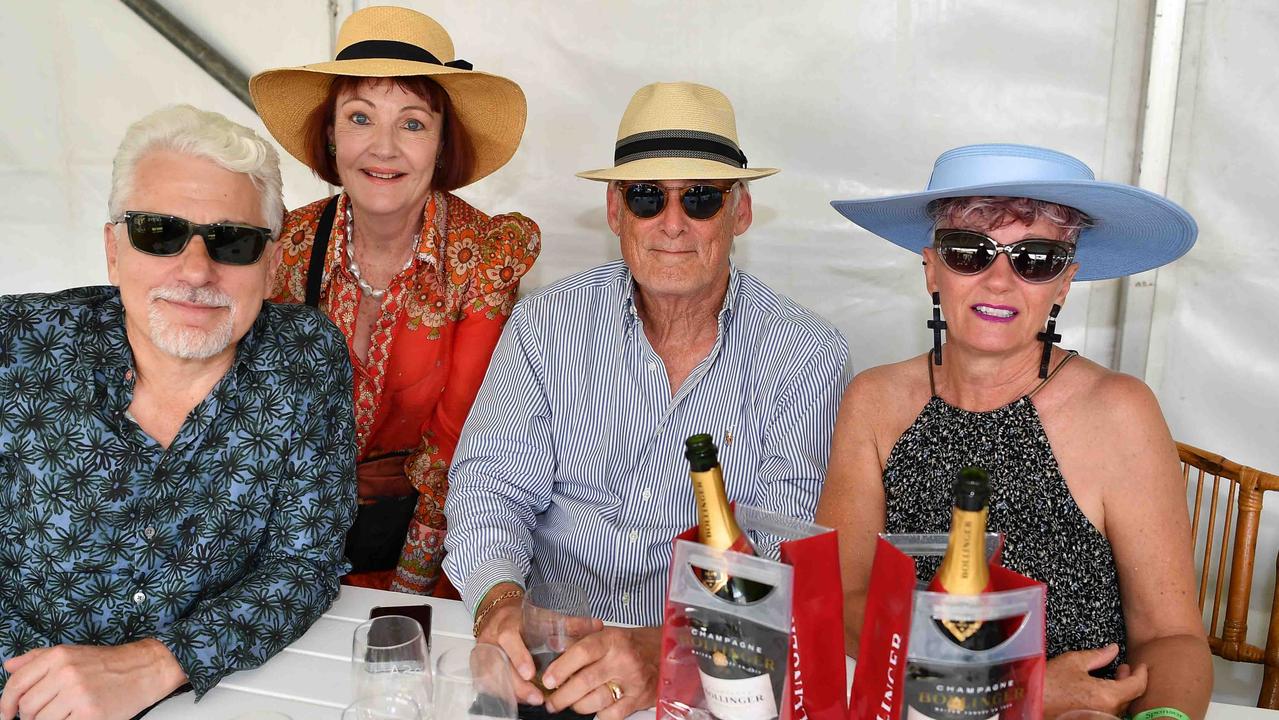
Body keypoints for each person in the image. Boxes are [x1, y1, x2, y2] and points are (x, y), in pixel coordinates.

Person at [443, 81, 849, 719]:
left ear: (740, 212)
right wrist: (498, 604)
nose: (672, 223)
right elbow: (487, 492)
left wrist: (669, 649)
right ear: (614, 210)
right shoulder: (545, 324)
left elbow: (775, 559)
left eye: (702, 198)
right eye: (646, 196)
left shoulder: (804, 355)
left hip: (717, 673)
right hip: (549, 661)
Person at [819, 144, 1211, 719]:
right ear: (931, 267)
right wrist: (1009, 686)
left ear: (1065, 283)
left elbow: (1172, 637)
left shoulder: (1117, 411)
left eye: (1035, 259)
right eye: (969, 253)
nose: (1000, 280)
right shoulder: (875, 402)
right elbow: (838, 599)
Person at [0, 105, 355, 718]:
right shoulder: (15, 346)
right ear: (114, 249)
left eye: (233, 240)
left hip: (229, 696)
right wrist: (40, 687)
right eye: (158, 233)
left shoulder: (306, 358)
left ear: (271, 264)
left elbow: (304, 564)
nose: (196, 270)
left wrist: (158, 664)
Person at [248, 5, 540, 595]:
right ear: (330, 135)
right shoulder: (282, 243)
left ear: (441, 142)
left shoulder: (484, 254)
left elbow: (455, 448)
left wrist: (404, 599)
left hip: (434, 553)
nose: (383, 148)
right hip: (286, 548)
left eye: (411, 124)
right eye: (360, 118)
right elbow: (253, 424)